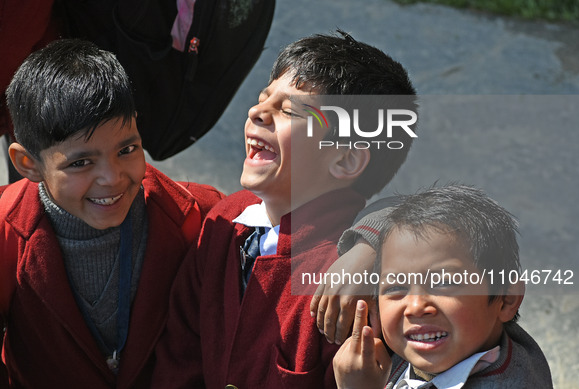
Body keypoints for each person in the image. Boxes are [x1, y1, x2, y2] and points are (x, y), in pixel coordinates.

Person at [150, 30, 418, 388]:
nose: (257, 112)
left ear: (346, 159)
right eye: (264, 99)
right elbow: (180, 354)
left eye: (288, 110)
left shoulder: (357, 283)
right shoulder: (225, 220)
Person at [0, 39, 224, 388]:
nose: (113, 178)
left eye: (127, 149)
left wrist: (344, 257)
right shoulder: (5, 232)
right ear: (28, 164)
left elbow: (298, 244)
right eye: (81, 162)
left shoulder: (199, 214)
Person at [333, 185, 553, 389]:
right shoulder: (472, 336)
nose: (416, 306)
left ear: (506, 299)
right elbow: (387, 205)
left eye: (444, 283)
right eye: (395, 288)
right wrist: (365, 251)